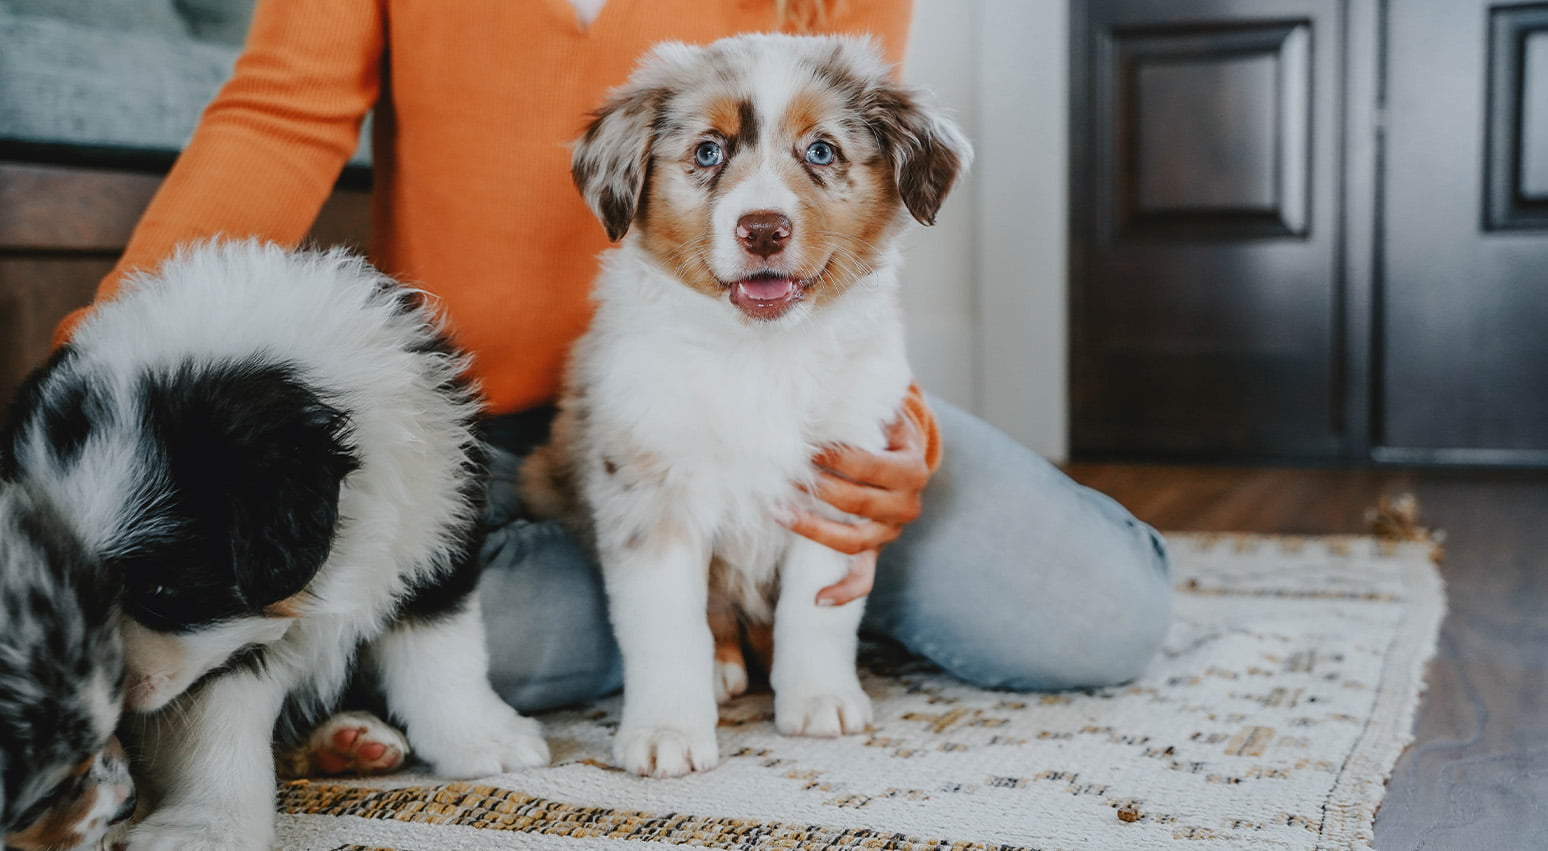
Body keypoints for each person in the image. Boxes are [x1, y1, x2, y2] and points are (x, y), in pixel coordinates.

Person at [57, 0, 1172, 713]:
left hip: (786, 382)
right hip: (475, 427)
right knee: (424, 629)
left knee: (1097, 610)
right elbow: (281, 113)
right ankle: (708, 607)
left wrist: (895, 436)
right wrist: (110, 343)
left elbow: (852, 186)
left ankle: (766, 590)